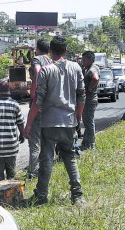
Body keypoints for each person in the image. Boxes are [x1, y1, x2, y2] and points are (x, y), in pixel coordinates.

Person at [23, 36, 85, 206]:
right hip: (69, 121)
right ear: (65, 51)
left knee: (47, 159)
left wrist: (28, 124)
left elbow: (37, 100)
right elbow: (81, 97)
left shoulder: (45, 70)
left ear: (50, 51)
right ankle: (77, 195)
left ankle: (41, 196)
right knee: (70, 157)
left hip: (49, 122)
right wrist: (78, 119)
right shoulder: (76, 68)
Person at [26, 39, 52, 180]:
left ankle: (34, 171)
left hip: (39, 103)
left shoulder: (37, 59)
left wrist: (33, 90)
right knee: (46, 139)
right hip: (50, 104)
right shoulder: (51, 60)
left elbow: (37, 71)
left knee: (34, 140)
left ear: (37, 49)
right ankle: (46, 167)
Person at [80, 51, 100, 151]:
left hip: (90, 99)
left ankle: (91, 144)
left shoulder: (92, 69)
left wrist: (89, 89)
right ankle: (86, 142)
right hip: (89, 99)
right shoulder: (89, 68)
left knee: (88, 122)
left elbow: (95, 79)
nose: (82, 61)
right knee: (87, 122)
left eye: (84, 60)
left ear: (90, 60)